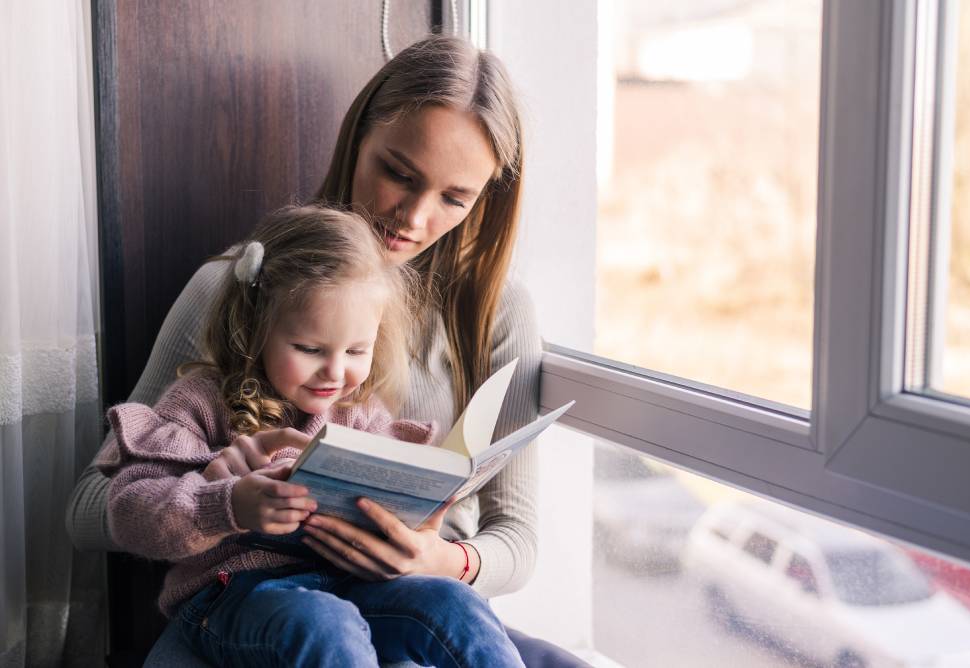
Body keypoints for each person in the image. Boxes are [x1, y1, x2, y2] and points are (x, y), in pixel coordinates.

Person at [66, 35, 585, 666]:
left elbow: (518, 537)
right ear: (356, 137)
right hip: (261, 597)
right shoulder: (237, 288)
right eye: (399, 172)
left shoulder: (498, 312)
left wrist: (442, 556)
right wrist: (217, 487)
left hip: (413, 598)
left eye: (455, 198)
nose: (416, 217)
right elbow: (90, 508)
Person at [96, 205, 525, 667]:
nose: (336, 372)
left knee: (456, 606)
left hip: (350, 588)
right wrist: (228, 504)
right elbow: (129, 512)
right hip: (231, 597)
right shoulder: (200, 402)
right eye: (309, 349)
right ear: (255, 327)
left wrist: (415, 524)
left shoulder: (361, 416)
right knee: (322, 622)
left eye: (357, 350)